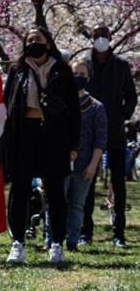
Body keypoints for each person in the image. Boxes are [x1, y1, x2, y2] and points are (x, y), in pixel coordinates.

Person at [0, 26, 80, 264]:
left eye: (39, 39)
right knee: (20, 191)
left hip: (54, 136)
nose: (34, 43)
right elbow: (7, 104)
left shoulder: (62, 71)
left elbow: (74, 111)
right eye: (30, 40)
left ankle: (57, 244)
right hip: (24, 134)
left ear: (48, 42)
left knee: (56, 193)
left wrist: (73, 144)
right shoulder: (17, 70)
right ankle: (17, 244)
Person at [81, 24, 137, 248]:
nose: (101, 39)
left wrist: (121, 115)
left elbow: (131, 96)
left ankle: (119, 233)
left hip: (114, 131)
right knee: (87, 181)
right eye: (97, 35)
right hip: (88, 131)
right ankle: (86, 232)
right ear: (91, 38)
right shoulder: (84, 64)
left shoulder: (121, 66)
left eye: (104, 35)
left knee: (119, 184)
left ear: (111, 38)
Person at [45, 61, 107, 251]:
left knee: (76, 204)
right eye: (75, 73)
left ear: (88, 78)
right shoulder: (59, 102)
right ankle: (52, 240)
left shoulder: (97, 107)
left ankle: (72, 241)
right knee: (55, 202)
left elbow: (100, 140)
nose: (78, 77)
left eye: (82, 74)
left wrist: (93, 164)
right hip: (59, 163)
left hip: (84, 165)